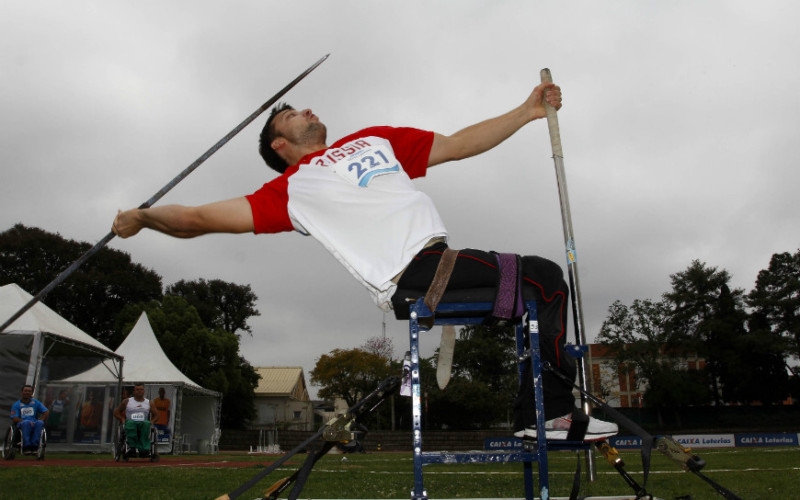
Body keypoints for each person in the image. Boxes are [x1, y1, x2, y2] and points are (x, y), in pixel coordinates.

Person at [113, 81, 617, 440]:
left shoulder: (375, 140)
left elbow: (460, 144)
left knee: (539, 287)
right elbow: (199, 218)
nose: (308, 110)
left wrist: (526, 111)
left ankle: (542, 413)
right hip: (415, 275)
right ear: (280, 145)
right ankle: (548, 415)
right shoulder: (290, 190)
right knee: (546, 279)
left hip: (442, 260)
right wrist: (143, 215)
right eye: (293, 115)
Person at [113, 383, 159, 455]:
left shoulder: (149, 402)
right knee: (130, 424)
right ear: (134, 391)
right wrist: (122, 419)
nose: (139, 391)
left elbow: (156, 415)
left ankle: (143, 448)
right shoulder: (127, 401)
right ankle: (131, 446)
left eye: (141, 389)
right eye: (137, 390)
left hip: (143, 423)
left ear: (144, 391)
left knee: (147, 424)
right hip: (130, 422)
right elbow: (116, 412)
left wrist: (152, 421)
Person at [10, 384, 49, 452]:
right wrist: (23, 421)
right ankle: (26, 445)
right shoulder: (16, 404)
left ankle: (35, 445)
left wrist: (41, 419)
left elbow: (46, 411)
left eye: (29, 391)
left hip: (34, 421)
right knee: (26, 423)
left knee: (40, 423)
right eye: (25, 391)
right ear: (22, 392)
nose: (27, 393)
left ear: (31, 393)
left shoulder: (35, 402)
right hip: (22, 423)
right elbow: (14, 418)